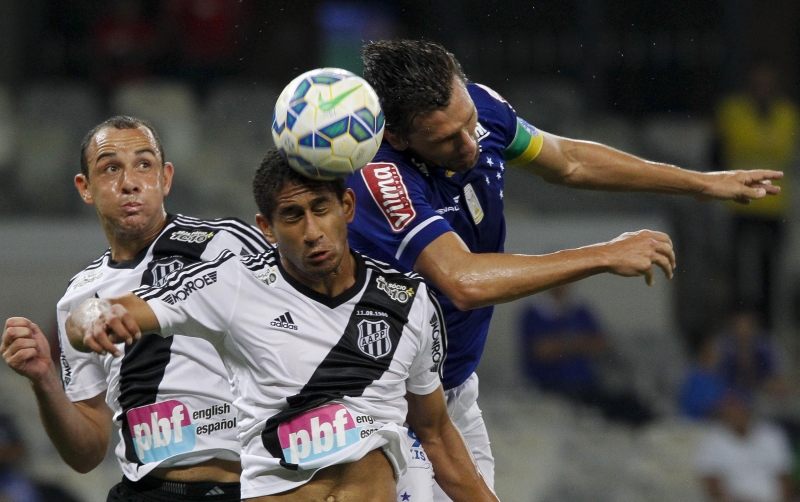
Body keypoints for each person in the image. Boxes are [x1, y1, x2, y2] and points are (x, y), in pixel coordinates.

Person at [346, 39, 783, 497]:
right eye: (445, 140)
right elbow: (463, 281)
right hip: (385, 403)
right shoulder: (381, 173)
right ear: (396, 135)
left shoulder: (481, 108)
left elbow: (570, 161)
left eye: (468, 123)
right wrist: (602, 255)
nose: (469, 143)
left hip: (451, 391)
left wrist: (699, 184)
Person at [65, 149, 498, 502]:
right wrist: (95, 319)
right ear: (267, 229)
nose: (312, 232)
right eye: (292, 216)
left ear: (346, 207)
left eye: (320, 209)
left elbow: (437, 433)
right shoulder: (231, 284)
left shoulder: (409, 301)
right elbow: (96, 311)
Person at [1, 116, 272, 501]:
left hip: (247, 488)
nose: (129, 182)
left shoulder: (226, 243)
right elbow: (87, 452)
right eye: (110, 168)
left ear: (166, 178)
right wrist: (44, 380)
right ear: (85, 188)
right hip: (144, 492)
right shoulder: (78, 298)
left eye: (144, 165)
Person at [715, 61, 799, 325]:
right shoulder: (732, 111)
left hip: (774, 204)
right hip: (740, 202)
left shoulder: (788, 115)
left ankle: (766, 326)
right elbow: (716, 153)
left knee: (770, 272)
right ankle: (741, 325)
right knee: (739, 271)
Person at [519, 285, 653, 426]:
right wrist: (579, 343)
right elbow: (542, 351)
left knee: (629, 405)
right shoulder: (533, 312)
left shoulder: (580, 310)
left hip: (586, 385)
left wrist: (563, 344)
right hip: (550, 387)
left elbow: (600, 343)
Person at [695, 391, 794, 502]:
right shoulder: (713, 441)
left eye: (739, 410)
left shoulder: (772, 434)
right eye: (730, 412)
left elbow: (784, 476)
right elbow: (711, 482)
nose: (735, 415)